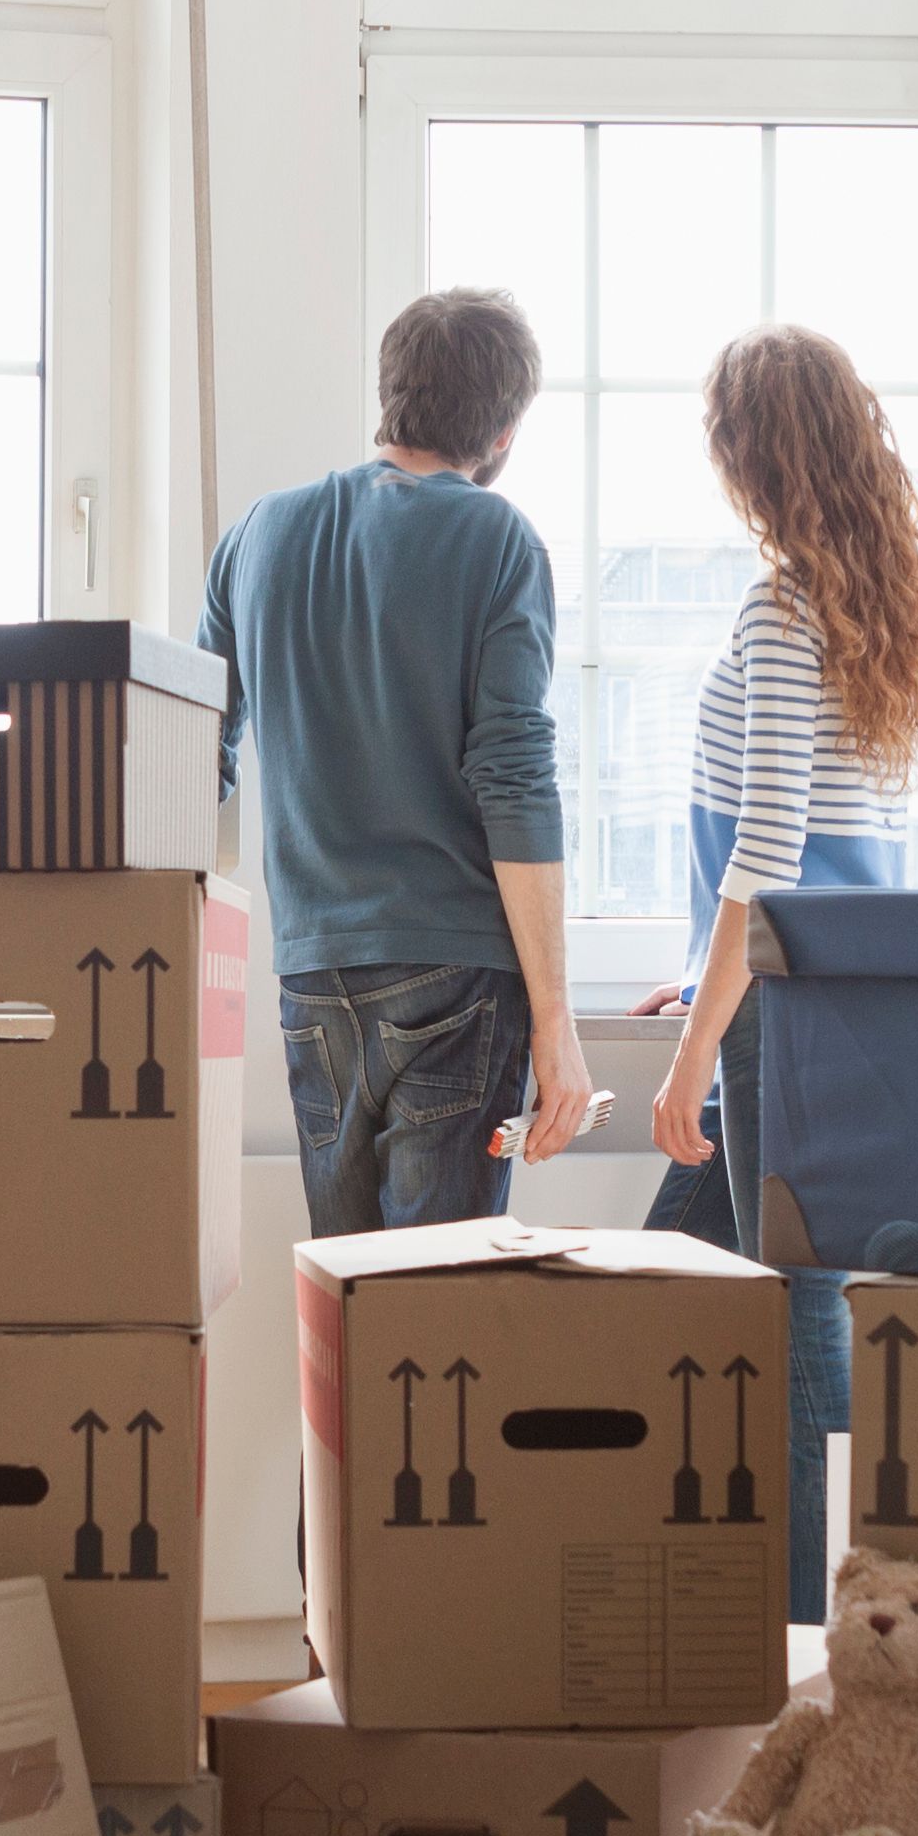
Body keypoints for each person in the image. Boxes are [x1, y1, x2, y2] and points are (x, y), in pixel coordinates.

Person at [643, 323, 918, 1620]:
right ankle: (728, 1606)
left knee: (790, 1312)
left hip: (781, 1007)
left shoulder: (780, 610)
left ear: (748, 456)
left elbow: (766, 851)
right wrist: (699, 981)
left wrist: (696, 1046)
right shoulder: (875, 611)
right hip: (839, 998)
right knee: (685, 1288)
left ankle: (813, 1636)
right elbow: (832, 841)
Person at [200, 287, 609, 1237]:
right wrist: (558, 1023)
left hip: (312, 970)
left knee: (345, 1305)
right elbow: (513, 779)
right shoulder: (499, 538)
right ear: (504, 430)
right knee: (436, 1321)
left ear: (389, 391)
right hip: (456, 974)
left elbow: (192, 753)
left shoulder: (258, 534)